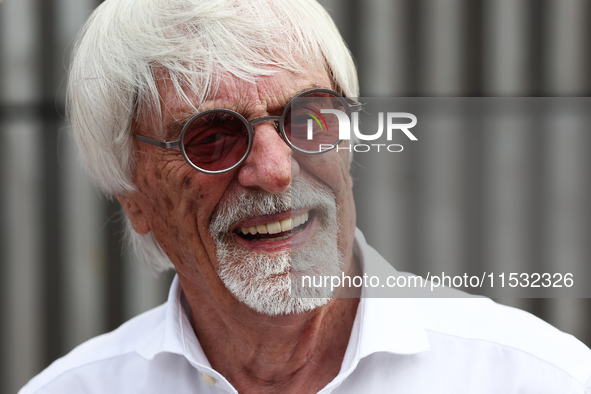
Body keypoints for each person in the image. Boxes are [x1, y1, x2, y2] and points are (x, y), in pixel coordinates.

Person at [20, 0, 591, 393]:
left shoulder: (536, 377)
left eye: (308, 117)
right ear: (134, 198)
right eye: (211, 139)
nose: (274, 170)